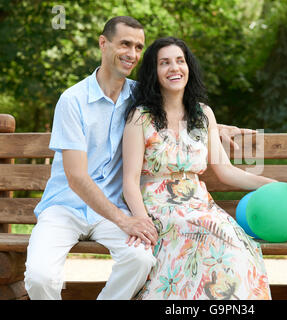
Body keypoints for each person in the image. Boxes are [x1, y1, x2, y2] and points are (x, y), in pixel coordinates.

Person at [24, 16, 251, 300]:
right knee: (40, 277)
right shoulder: (73, 100)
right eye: (125, 44)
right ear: (103, 43)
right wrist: (125, 220)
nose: (132, 54)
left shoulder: (138, 98)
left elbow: (176, 111)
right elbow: (76, 177)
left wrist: (218, 128)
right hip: (66, 209)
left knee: (141, 260)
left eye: (138, 47)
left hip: (112, 210)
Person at [123, 36, 276, 300]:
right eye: (165, 63)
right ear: (153, 72)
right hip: (159, 208)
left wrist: (273, 186)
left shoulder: (203, 114)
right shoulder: (141, 117)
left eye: (180, 61)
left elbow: (226, 171)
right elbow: (130, 181)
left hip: (200, 205)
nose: (174, 68)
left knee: (236, 242)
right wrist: (142, 221)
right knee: (198, 233)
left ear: (188, 68)